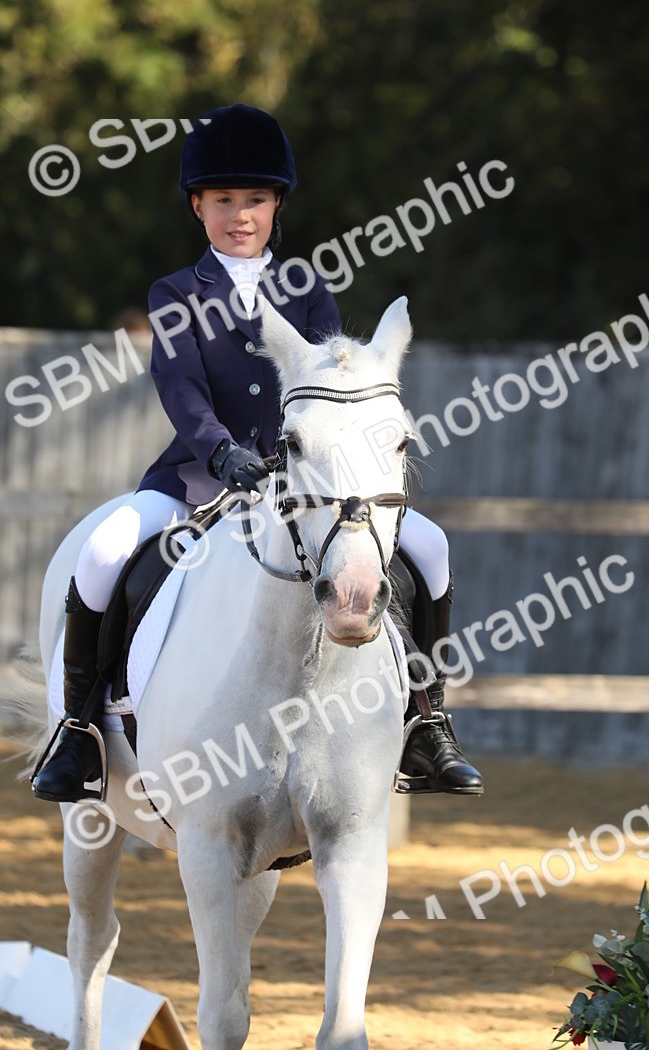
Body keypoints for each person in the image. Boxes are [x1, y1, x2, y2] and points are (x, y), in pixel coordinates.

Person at [32, 104, 484, 803]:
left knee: (431, 548)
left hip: (302, 485)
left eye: (254, 200)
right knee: (100, 553)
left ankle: (429, 722)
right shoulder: (176, 294)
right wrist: (219, 455)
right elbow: (179, 389)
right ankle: (79, 731)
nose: (239, 214)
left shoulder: (309, 289)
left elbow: (333, 384)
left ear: (276, 204)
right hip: (191, 480)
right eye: (222, 200)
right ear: (197, 206)